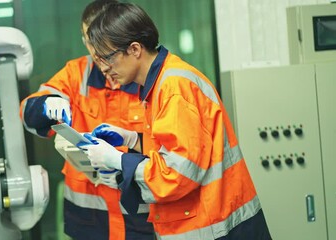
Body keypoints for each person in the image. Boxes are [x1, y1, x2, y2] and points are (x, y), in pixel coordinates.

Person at [80, 2, 272, 239]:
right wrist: (134, 140)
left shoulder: (174, 87)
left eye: (108, 58)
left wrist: (118, 160)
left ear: (135, 49)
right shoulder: (160, 82)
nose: (104, 69)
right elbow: (179, 149)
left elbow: (177, 173)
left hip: (219, 228)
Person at [19, 1, 154, 239]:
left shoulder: (149, 77)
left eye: (99, 39)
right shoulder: (76, 73)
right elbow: (28, 113)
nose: (94, 49)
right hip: (89, 217)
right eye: (88, 39)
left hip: (140, 213)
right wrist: (45, 105)